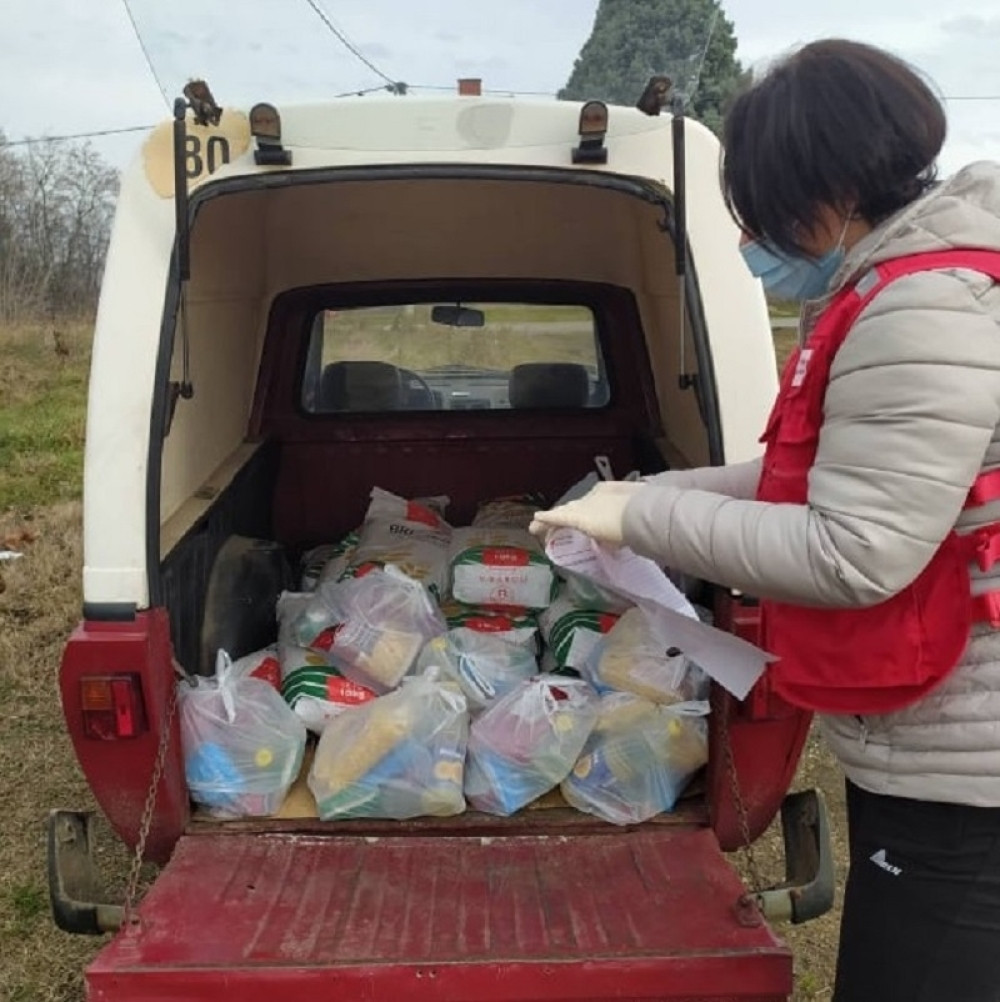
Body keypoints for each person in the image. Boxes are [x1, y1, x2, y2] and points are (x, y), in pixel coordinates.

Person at [531, 39, 1000, 1002]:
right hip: (939, 738)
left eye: (763, 208)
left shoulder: (923, 308)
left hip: (968, 765)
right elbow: (808, 474)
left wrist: (645, 516)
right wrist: (659, 492)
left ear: (824, 191)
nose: (755, 236)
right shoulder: (896, 286)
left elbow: (851, 550)